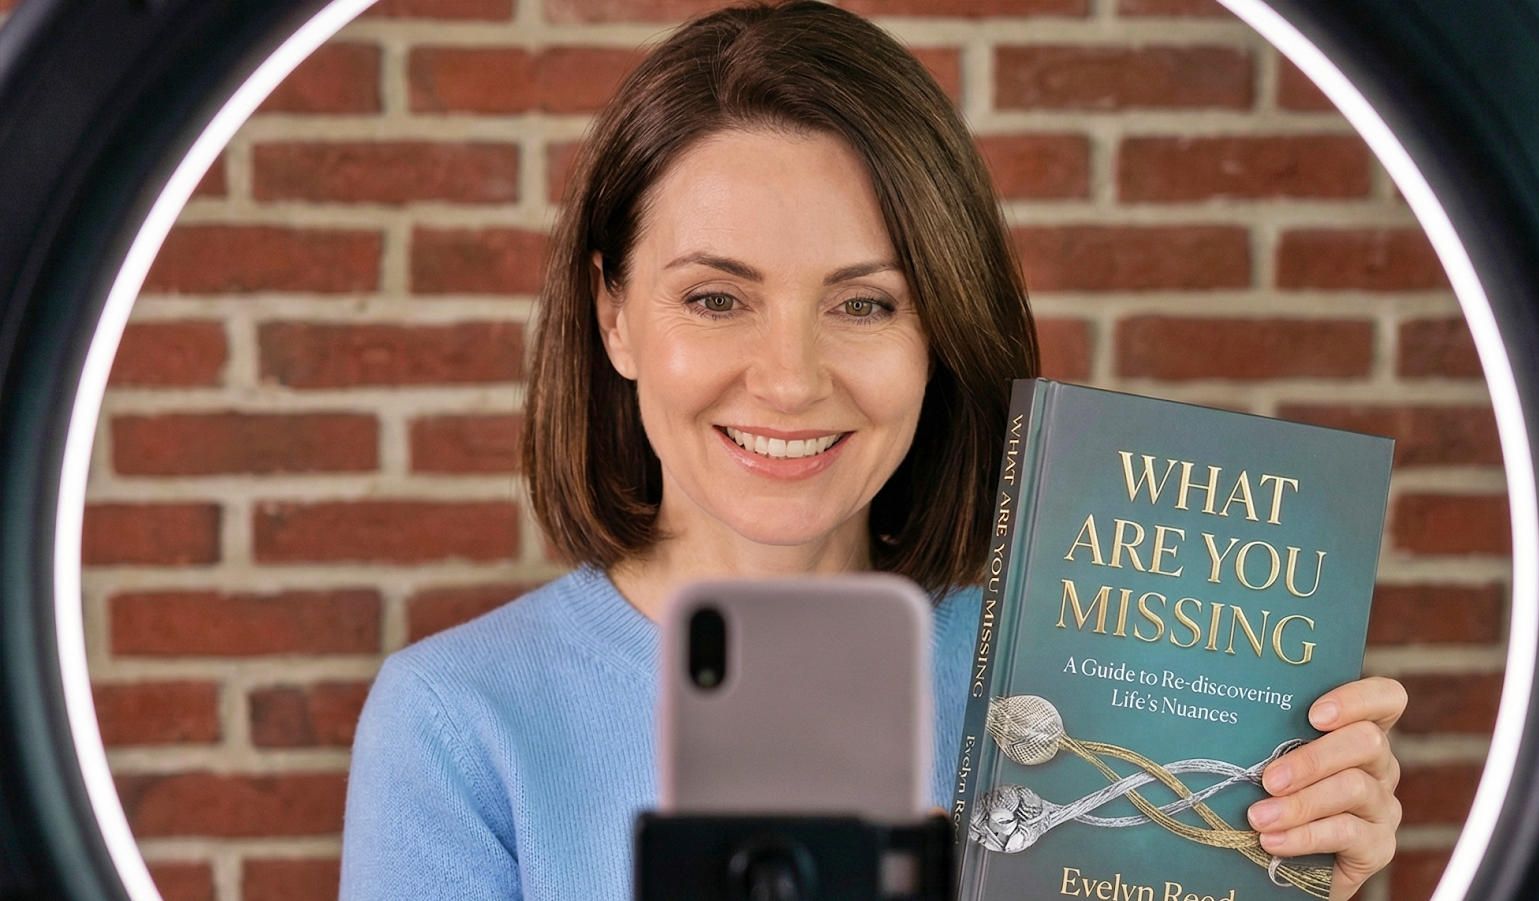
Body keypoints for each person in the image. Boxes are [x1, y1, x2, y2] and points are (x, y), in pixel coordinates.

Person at [340, 3, 1405, 900]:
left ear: (936, 330)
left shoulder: (1081, 692)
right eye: (716, 298)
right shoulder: (456, 723)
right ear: (613, 314)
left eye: (863, 302)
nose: (791, 378)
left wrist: (1300, 871)